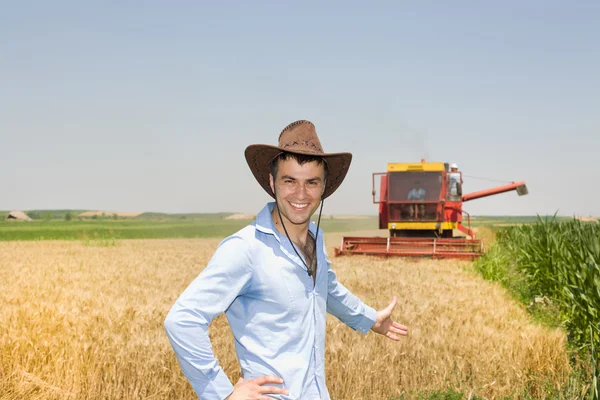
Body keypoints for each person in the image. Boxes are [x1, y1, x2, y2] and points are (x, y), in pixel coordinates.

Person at [164, 120, 409, 400]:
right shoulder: (245, 249)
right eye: (289, 181)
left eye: (311, 182)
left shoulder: (315, 239)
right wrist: (223, 395)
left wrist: (370, 319)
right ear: (272, 183)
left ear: (324, 187)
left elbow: (326, 288)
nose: (301, 194)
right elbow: (182, 320)